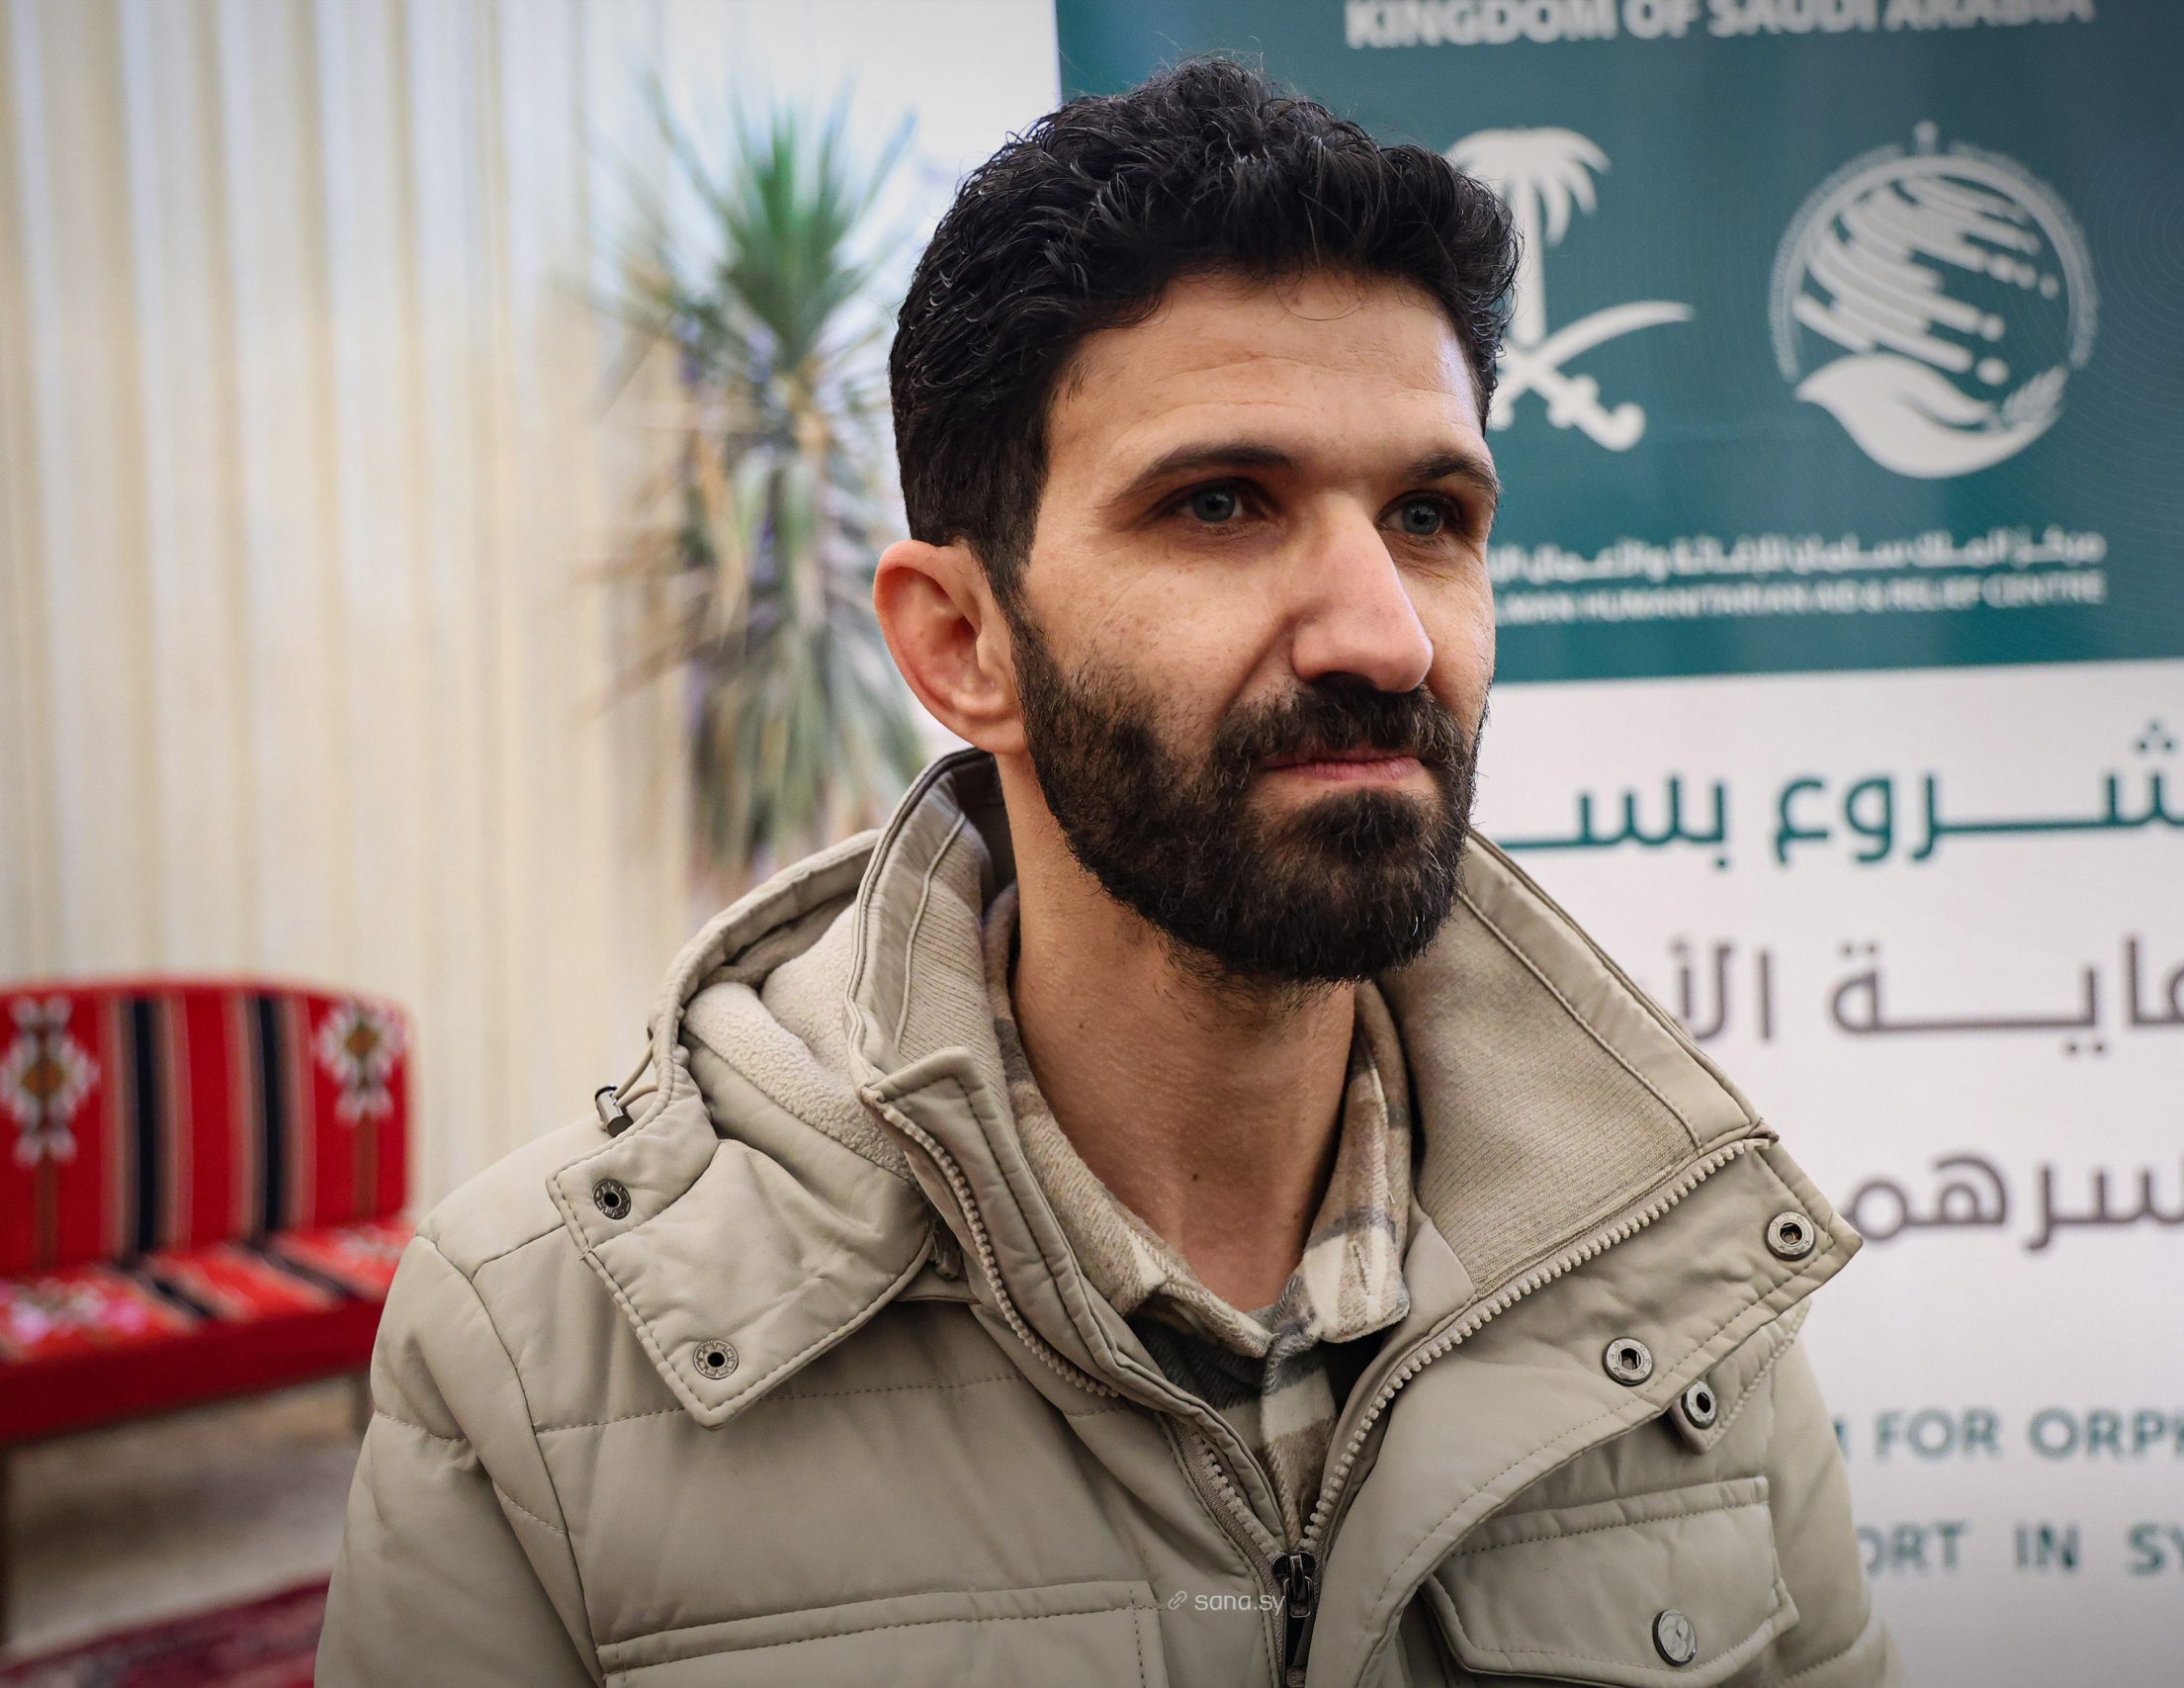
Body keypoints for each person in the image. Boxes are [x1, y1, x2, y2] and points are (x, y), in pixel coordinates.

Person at [316, 58, 1898, 1688]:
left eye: (1429, 515)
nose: (1386, 635)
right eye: (1221, 504)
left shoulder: (1664, 1276)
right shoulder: (542, 1353)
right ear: (962, 643)